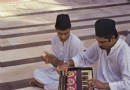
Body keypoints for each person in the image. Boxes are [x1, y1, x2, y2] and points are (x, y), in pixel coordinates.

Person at [53, 19, 130, 90]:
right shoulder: (100, 45)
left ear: (113, 38)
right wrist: (67, 63)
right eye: (98, 41)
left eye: (102, 42)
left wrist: (104, 85)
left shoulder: (124, 52)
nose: (99, 44)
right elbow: (84, 57)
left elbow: (128, 84)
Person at [29, 14, 85, 90]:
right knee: (37, 72)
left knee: (76, 82)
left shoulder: (75, 43)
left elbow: (78, 67)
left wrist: (58, 62)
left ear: (70, 29)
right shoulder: (54, 40)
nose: (63, 37)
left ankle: (44, 86)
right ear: (56, 29)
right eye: (60, 33)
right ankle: (58, 86)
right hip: (59, 72)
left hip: (73, 74)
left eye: (66, 33)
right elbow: (57, 65)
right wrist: (50, 60)